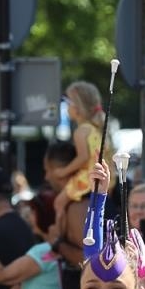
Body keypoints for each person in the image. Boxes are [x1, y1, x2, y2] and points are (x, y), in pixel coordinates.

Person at [51, 80, 107, 226]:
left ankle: (60, 231)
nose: (66, 108)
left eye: (68, 103)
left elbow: (83, 157)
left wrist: (63, 171)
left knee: (58, 202)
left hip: (86, 177)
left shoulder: (81, 131)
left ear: (78, 107)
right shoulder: (96, 128)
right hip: (102, 177)